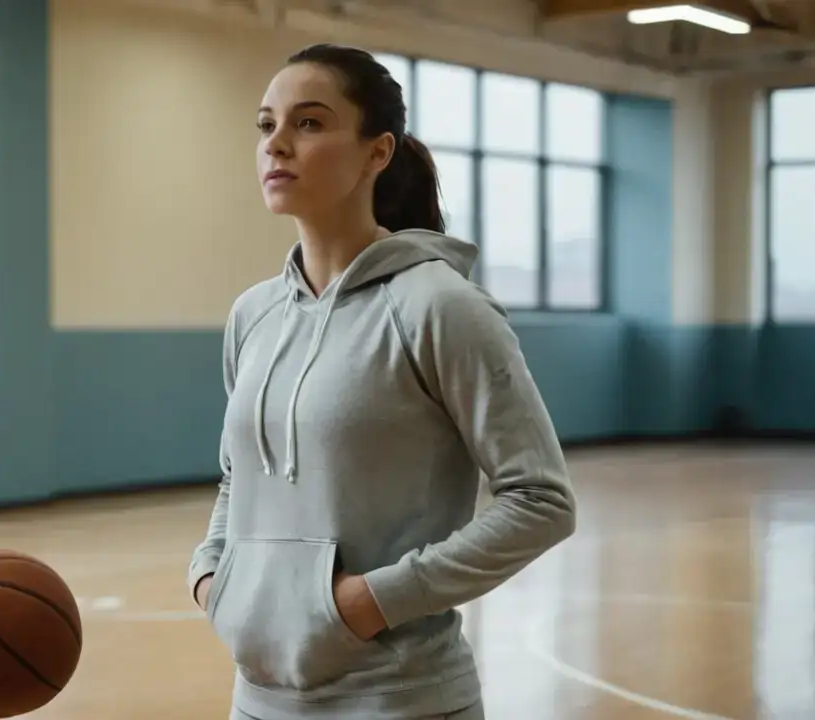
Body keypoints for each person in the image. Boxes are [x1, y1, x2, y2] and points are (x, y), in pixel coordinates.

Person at [185, 43, 577, 720]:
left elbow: (542, 500)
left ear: (377, 153)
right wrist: (213, 577)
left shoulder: (439, 306)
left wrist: (370, 602)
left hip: (400, 700)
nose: (277, 144)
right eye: (265, 125)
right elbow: (238, 477)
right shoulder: (254, 315)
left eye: (308, 123)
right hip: (258, 701)